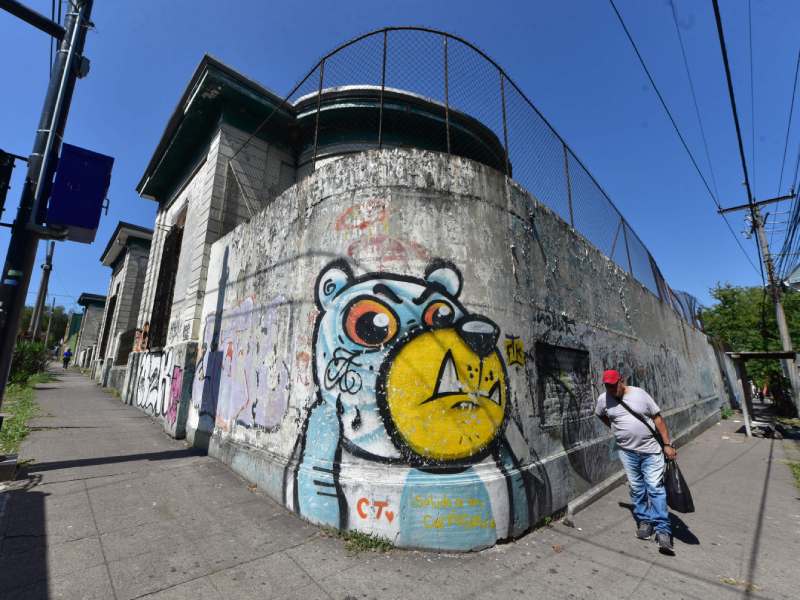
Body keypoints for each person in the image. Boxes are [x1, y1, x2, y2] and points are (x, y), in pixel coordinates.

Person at [595, 369, 677, 554]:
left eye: (613, 385)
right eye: (607, 385)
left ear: (621, 381)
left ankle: (663, 530)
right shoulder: (603, 399)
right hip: (627, 453)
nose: (610, 388)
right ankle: (644, 521)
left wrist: (667, 444)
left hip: (650, 451)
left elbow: (658, 419)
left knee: (655, 488)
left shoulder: (639, 394)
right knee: (637, 488)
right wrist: (615, 428)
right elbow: (600, 414)